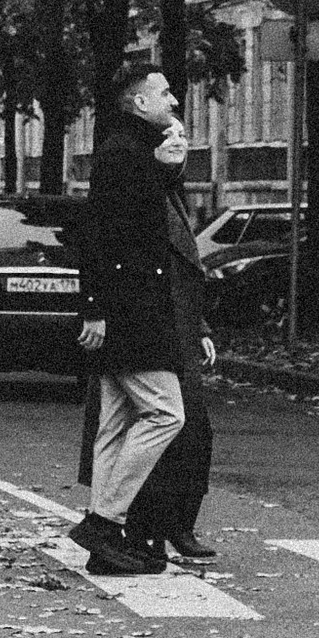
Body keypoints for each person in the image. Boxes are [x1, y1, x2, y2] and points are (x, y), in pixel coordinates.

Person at [73, 49, 189, 578]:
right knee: (167, 413)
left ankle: (106, 546)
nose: (174, 100)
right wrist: (94, 306)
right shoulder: (124, 154)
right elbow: (100, 234)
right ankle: (104, 521)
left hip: (126, 304)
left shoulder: (132, 150)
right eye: (164, 93)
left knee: (116, 424)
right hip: (133, 308)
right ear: (140, 102)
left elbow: (142, 219)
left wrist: (169, 166)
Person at [129, 113, 218, 562]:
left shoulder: (173, 193)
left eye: (184, 134)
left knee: (195, 433)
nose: (179, 141)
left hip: (181, 329)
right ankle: (152, 527)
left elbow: (186, 271)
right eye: (170, 135)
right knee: (167, 429)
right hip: (156, 329)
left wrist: (199, 326)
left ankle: (179, 524)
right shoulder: (147, 193)